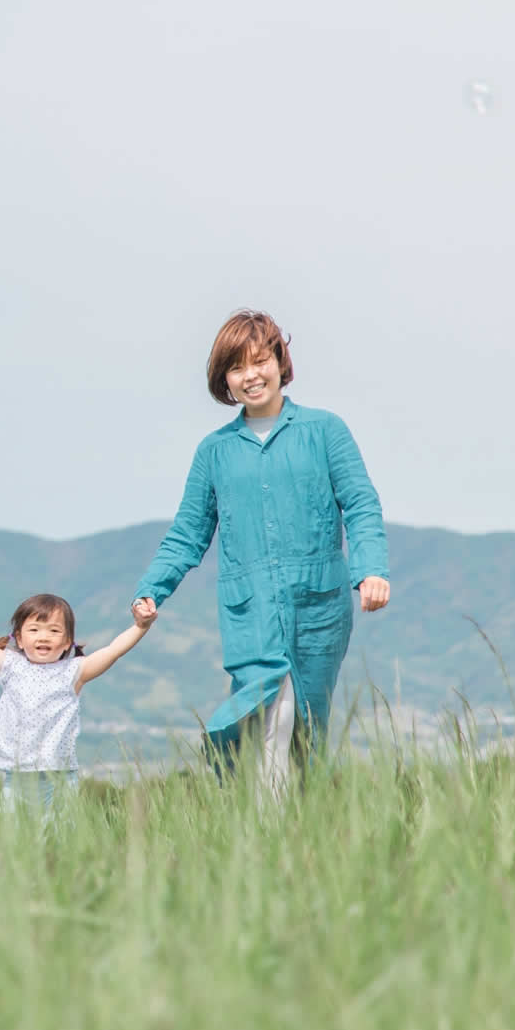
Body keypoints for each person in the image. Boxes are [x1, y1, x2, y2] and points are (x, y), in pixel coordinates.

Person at [130, 310, 390, 795]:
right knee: (269, 718)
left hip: (319, 607)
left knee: (305, 734)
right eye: (236, 368)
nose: (251, 376)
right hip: (249, 612)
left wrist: (370, 570)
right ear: (224, 380)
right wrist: (151, 589)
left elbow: (360, 503)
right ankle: (267, 831)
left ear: (279, 361)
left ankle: (298, 838)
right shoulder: (215, 451)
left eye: (259, 361)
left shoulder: (325, 430)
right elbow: (188, 533)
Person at [0, 593, 155, 825]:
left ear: (67, 641)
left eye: (54, 631)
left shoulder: (75, 671)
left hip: (59, 775)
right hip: (14, 773)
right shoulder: (9, 665)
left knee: (60, 836)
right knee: (14, 835)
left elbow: (113, 650)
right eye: (34, 630)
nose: (44, 637)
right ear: (19, 639)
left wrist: (141, 627)